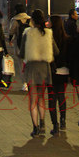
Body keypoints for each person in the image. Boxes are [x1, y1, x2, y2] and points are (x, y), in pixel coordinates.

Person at [19, 9, 58, 137]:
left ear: (33, 20)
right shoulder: (48, 33)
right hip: (44, 69)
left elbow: (22, 52)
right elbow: (56, 51)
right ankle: (42, 123)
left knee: (33, 99)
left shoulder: (28, 33)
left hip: (32, 68)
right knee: (42, 98)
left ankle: (35, 127)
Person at [48, 15, 71, 134]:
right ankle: (63, 120)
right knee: (61, 95)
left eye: (49, 21)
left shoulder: (48, 36)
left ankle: (55, 125)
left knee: (52, 97)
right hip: (64, 71)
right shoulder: (66, 38)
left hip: (52, 70)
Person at [9, 3, 32, 91]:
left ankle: (24, 83)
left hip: (19, 45)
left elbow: (11, 32)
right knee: (29, 65)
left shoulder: (14, 20)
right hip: (29, 45)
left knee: (21, 65)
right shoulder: (30, 19)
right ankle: (30, 81)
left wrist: (10, 40)